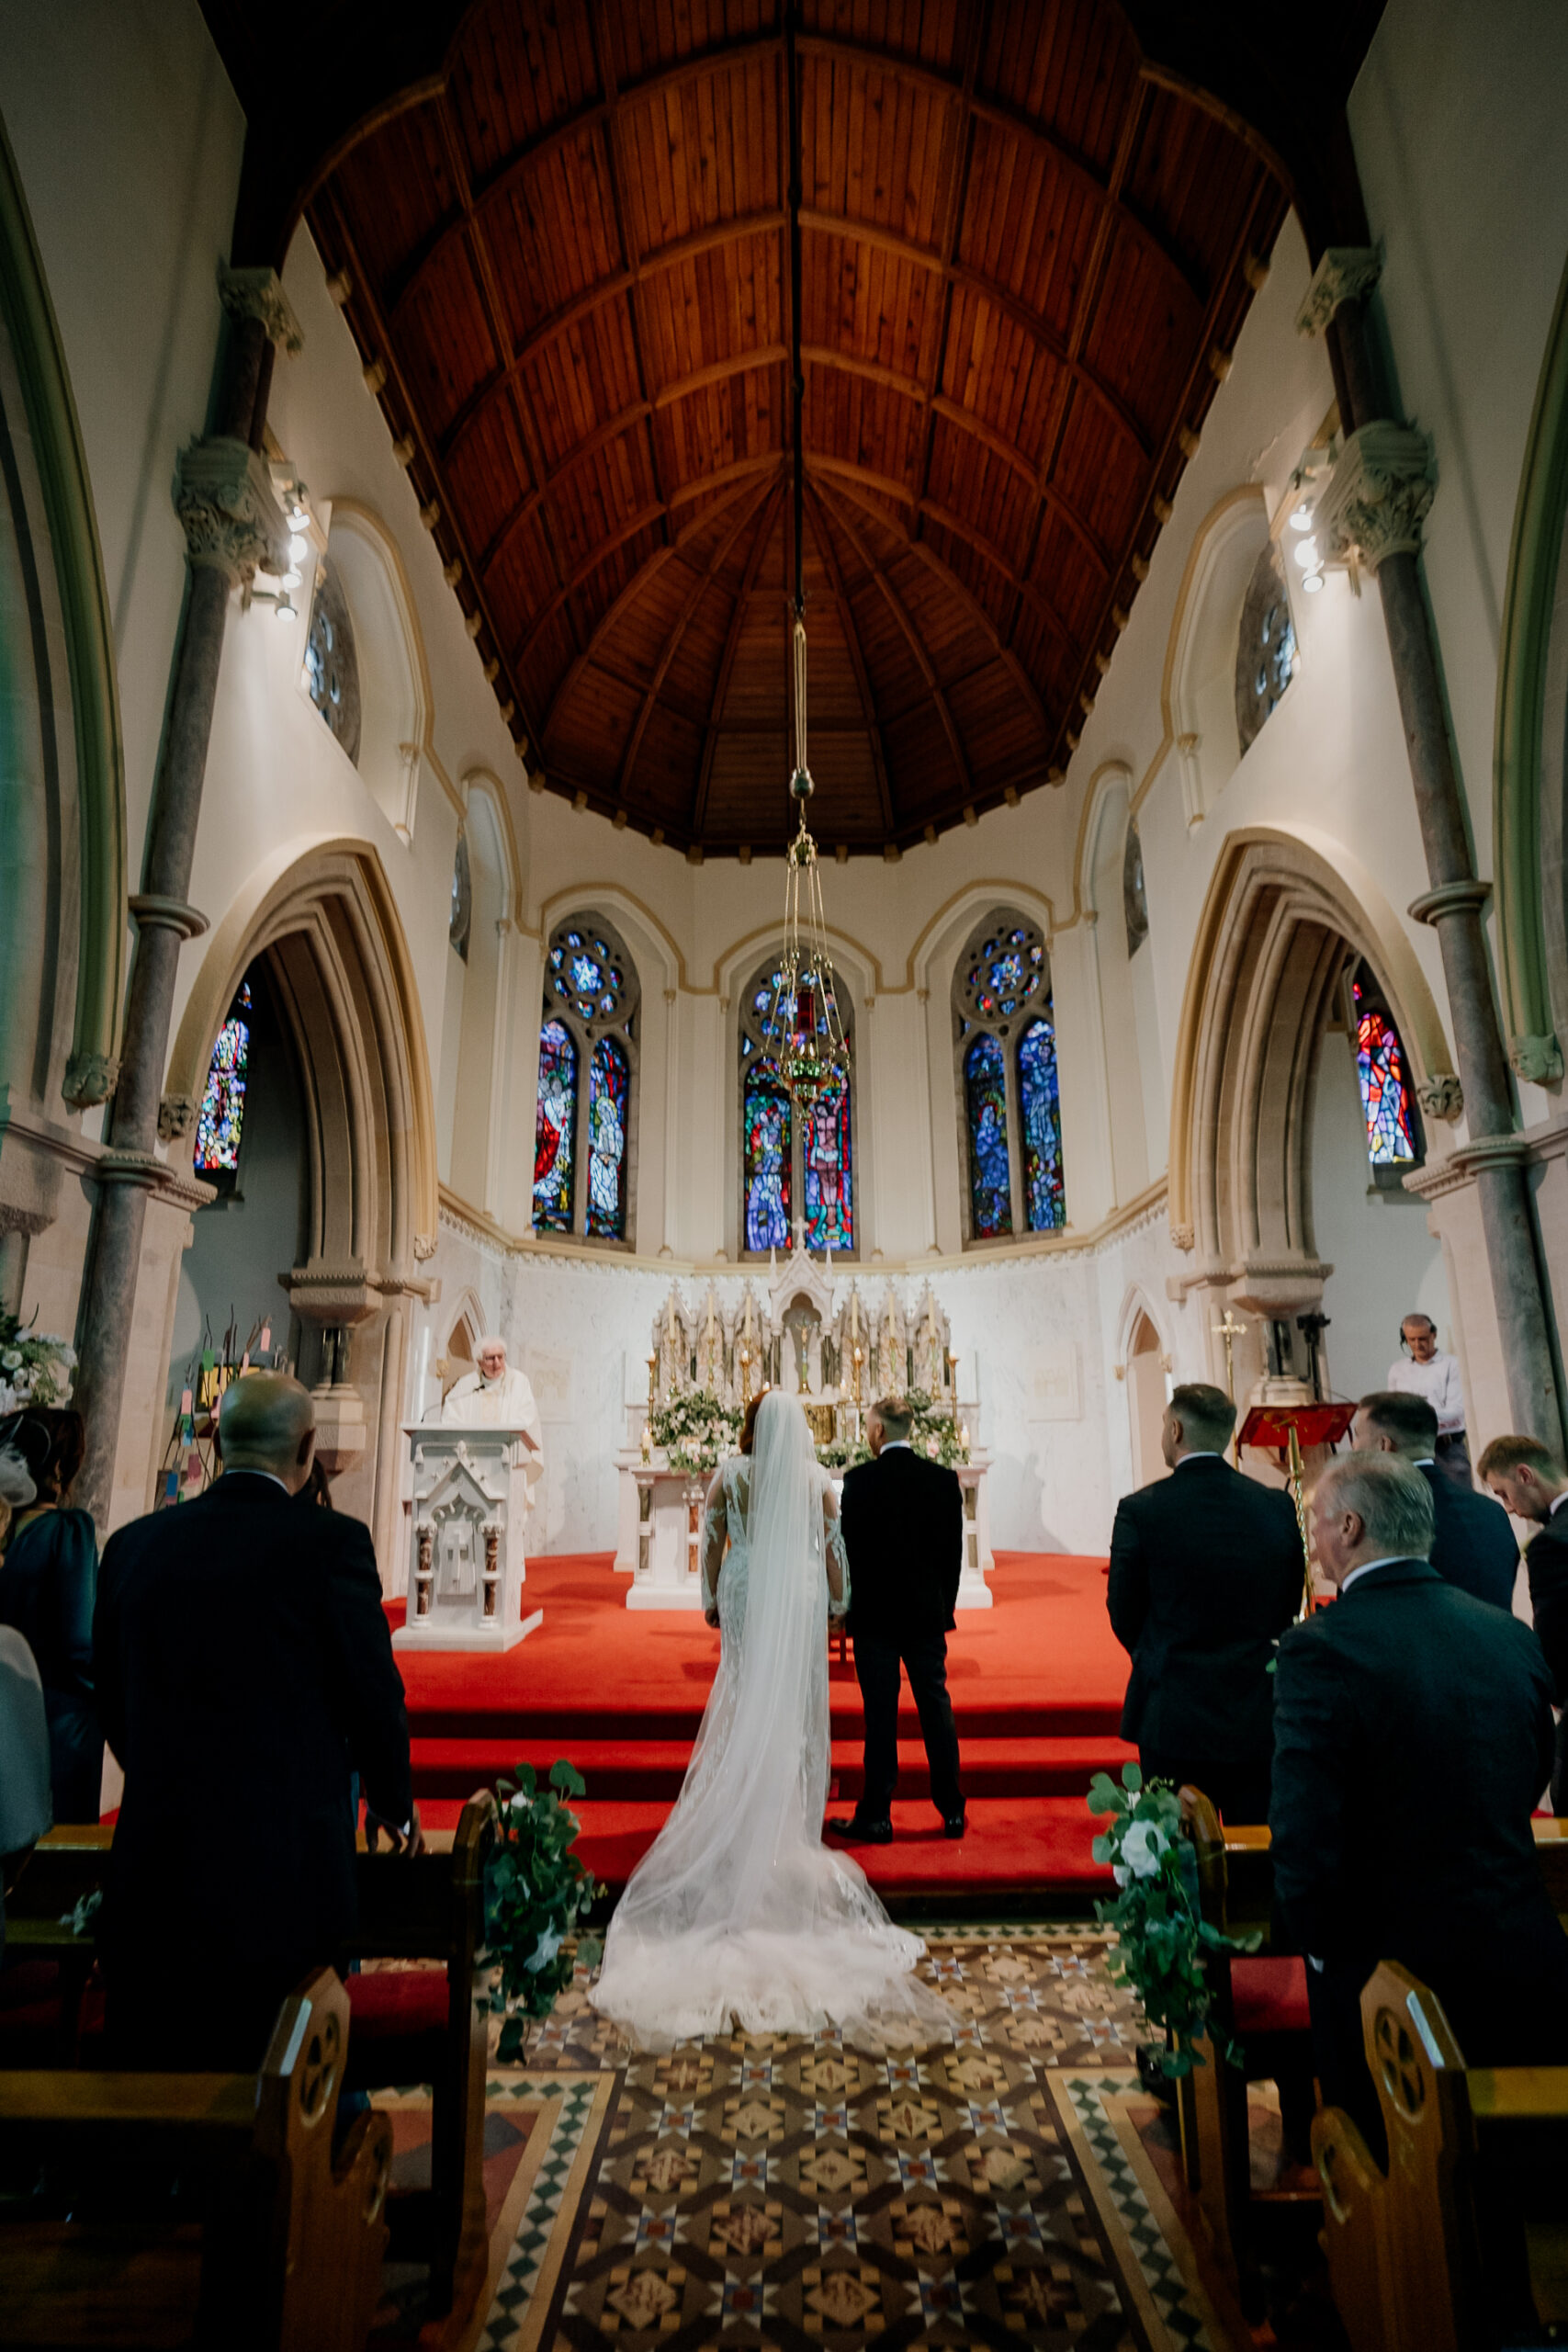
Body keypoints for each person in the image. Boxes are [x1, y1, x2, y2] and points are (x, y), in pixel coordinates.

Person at [589, 1389, 950, 2047]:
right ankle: (782, 1825)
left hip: (748, 1583)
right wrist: (838, 1600)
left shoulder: (729, 1472)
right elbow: (833, 1545)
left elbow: (711, 1542)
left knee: (743, 1691)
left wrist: (707, 1600)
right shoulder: (816, 1478)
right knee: (790, 1705)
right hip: (800, 1591)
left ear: (750, 1426)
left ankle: (736, 1819)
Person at [93, 1372, 417, 2069]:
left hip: (157, 1869)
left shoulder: (132, 1546)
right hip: (287, 1880)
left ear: (214, 1439)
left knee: (157, 2067)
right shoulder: (331, 1545)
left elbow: (112, 1699)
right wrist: (393, 1803)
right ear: (308, 1450)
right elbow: (372, 1694)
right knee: (293, 2080)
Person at [1270, 1453, 1568, 2160]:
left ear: (1349, 1525)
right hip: (1517, 1944)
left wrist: (1317, 1949)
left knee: (1393, 2184)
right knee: (1519, 2174)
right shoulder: (1507, 1635)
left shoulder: (1318, 1650)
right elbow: (1529, 1773)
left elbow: (1304, 1826)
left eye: (1314, 1522)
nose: (1310, 1540)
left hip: (1385, 1972)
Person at [1107, 1382, 1302, 1823]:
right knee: (1255, 1848)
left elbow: (1123, 1609)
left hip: (1171, 1708)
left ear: (1175, 1430)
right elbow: (1288, 1600)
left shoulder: (1142, 1509)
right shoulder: (1275, 1506)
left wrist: (1158, 1655)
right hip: (1254, 1704)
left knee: (1174, 1851)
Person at [828, 1396, 965, 1844]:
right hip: (926, 1613)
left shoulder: (859, 1481)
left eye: (869, 1428)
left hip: (875, 1617)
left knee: (880, 1715)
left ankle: (877, 1815)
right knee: (936, 1708)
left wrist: (843, 1609)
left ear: (879, 1432)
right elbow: (952, 1557)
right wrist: (942, 1607)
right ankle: (952, 1811)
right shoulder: (943, 1480)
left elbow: (847, 1553)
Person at [0, 1407, 102, 1823]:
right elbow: (80, 1642)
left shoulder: (7, 1532)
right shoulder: (67, 1532)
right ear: (59, 1467)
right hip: (55, 1720)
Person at [1354, 1390, 1517, 1610]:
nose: (1354, 1448)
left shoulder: (1379, 1518)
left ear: (1384, 1446)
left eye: (1357, 1436)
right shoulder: (1492, 1511)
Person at [1477, 1432, 1568, 1811]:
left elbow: (1556, 1637)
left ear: (1525, 1474)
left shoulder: (1553, 1544)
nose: (1509, 1508)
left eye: (1503, 1493)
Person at [437, 1335, 544, 1500]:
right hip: (470, 1465)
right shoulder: (465, 1386)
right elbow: (451, 1420)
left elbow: (527, 1418)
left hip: (508, 1463)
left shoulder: (519, 1383)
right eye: (490, 1358)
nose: (497, 1363)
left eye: (500, 1357)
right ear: (479, 1362)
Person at [1386, 1313, 1470, 1488]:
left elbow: (1457, 1411)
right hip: (1410, 1449)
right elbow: (1392, 1411)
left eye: (1423, 1339)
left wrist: (1421, 1415)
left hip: (1445, 1447)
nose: (1417, 1345)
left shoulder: (1451, 1364)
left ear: (1434, 1334)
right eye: (1411, 1339)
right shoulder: (1397, 1370)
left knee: (1459, 1496)